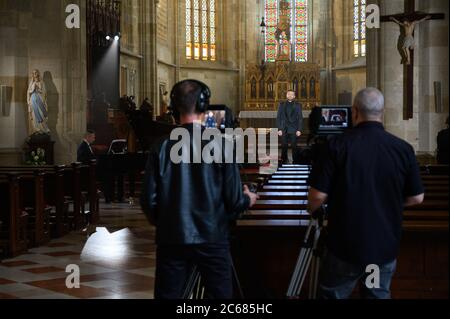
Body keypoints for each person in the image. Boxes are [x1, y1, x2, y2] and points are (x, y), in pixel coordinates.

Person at [140, 79, 259, 299]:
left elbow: (148, 200)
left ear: (174, 109)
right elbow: (233, 202)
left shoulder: (161, 147)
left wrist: (169, 222)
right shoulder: (222, 144)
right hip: (213, 237)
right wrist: (247, 198)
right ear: (205, 107)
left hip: (172, 238)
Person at [307, 88, 425, 299]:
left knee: (333, 295)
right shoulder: (402, 148)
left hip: (344, 247)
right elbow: (417, 197)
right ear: (383, 112)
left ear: (354, 112)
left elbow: (317, 196)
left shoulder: (336, 145)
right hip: (381, 249)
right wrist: (388, 203)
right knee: (375, 295)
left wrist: (313, 209)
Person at [277, 90, 303, 164]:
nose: (290, 95)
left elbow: (300, 118)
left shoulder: (298, 105)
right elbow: (278, 117)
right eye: (289, 94)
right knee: (284, 145)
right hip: (283, 128)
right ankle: (283, 160)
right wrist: (279, 129)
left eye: (292, 94)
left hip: (294, 128)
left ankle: (295, 160)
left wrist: (299, 130)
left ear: (294, 96)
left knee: (294, 146)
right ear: (286, 95)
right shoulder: (281, 104)